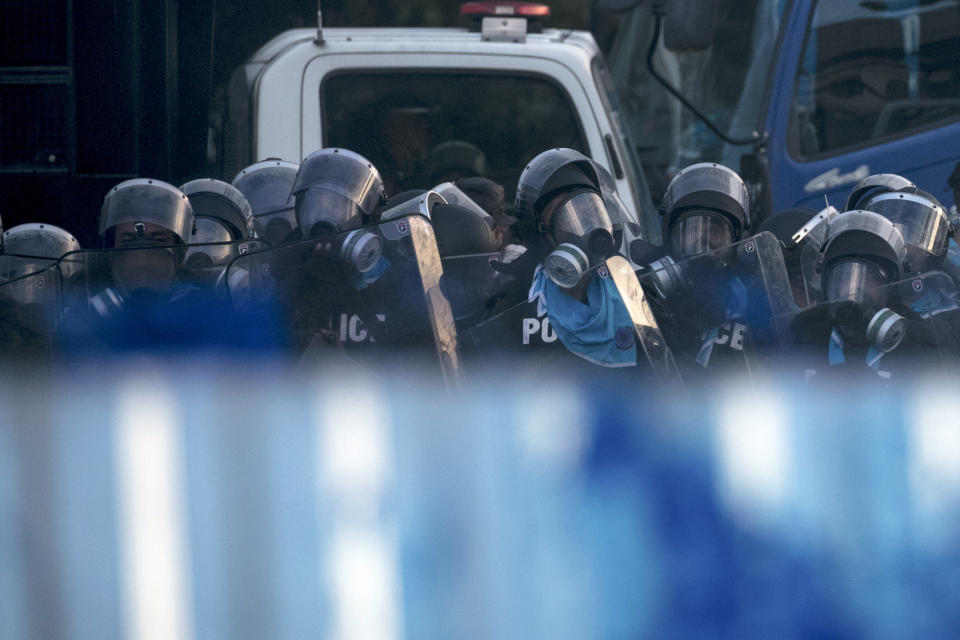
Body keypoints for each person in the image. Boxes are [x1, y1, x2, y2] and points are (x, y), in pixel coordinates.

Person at [788, 210, 957, 381]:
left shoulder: (919, 345)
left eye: (868, 277)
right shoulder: (807, 339)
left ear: (889, 288)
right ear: (826, 285)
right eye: (842, 277)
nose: (851, 287)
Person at [454, 176, 526, 263]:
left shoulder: (511, 256)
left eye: (501, 224)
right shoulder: (441, 255)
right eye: (494, 225)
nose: (502, 229)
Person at [232, 158, 299, 245]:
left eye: (283, 209)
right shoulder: (242, 252)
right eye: (268, 210)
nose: (276, 217)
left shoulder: (312, 249)